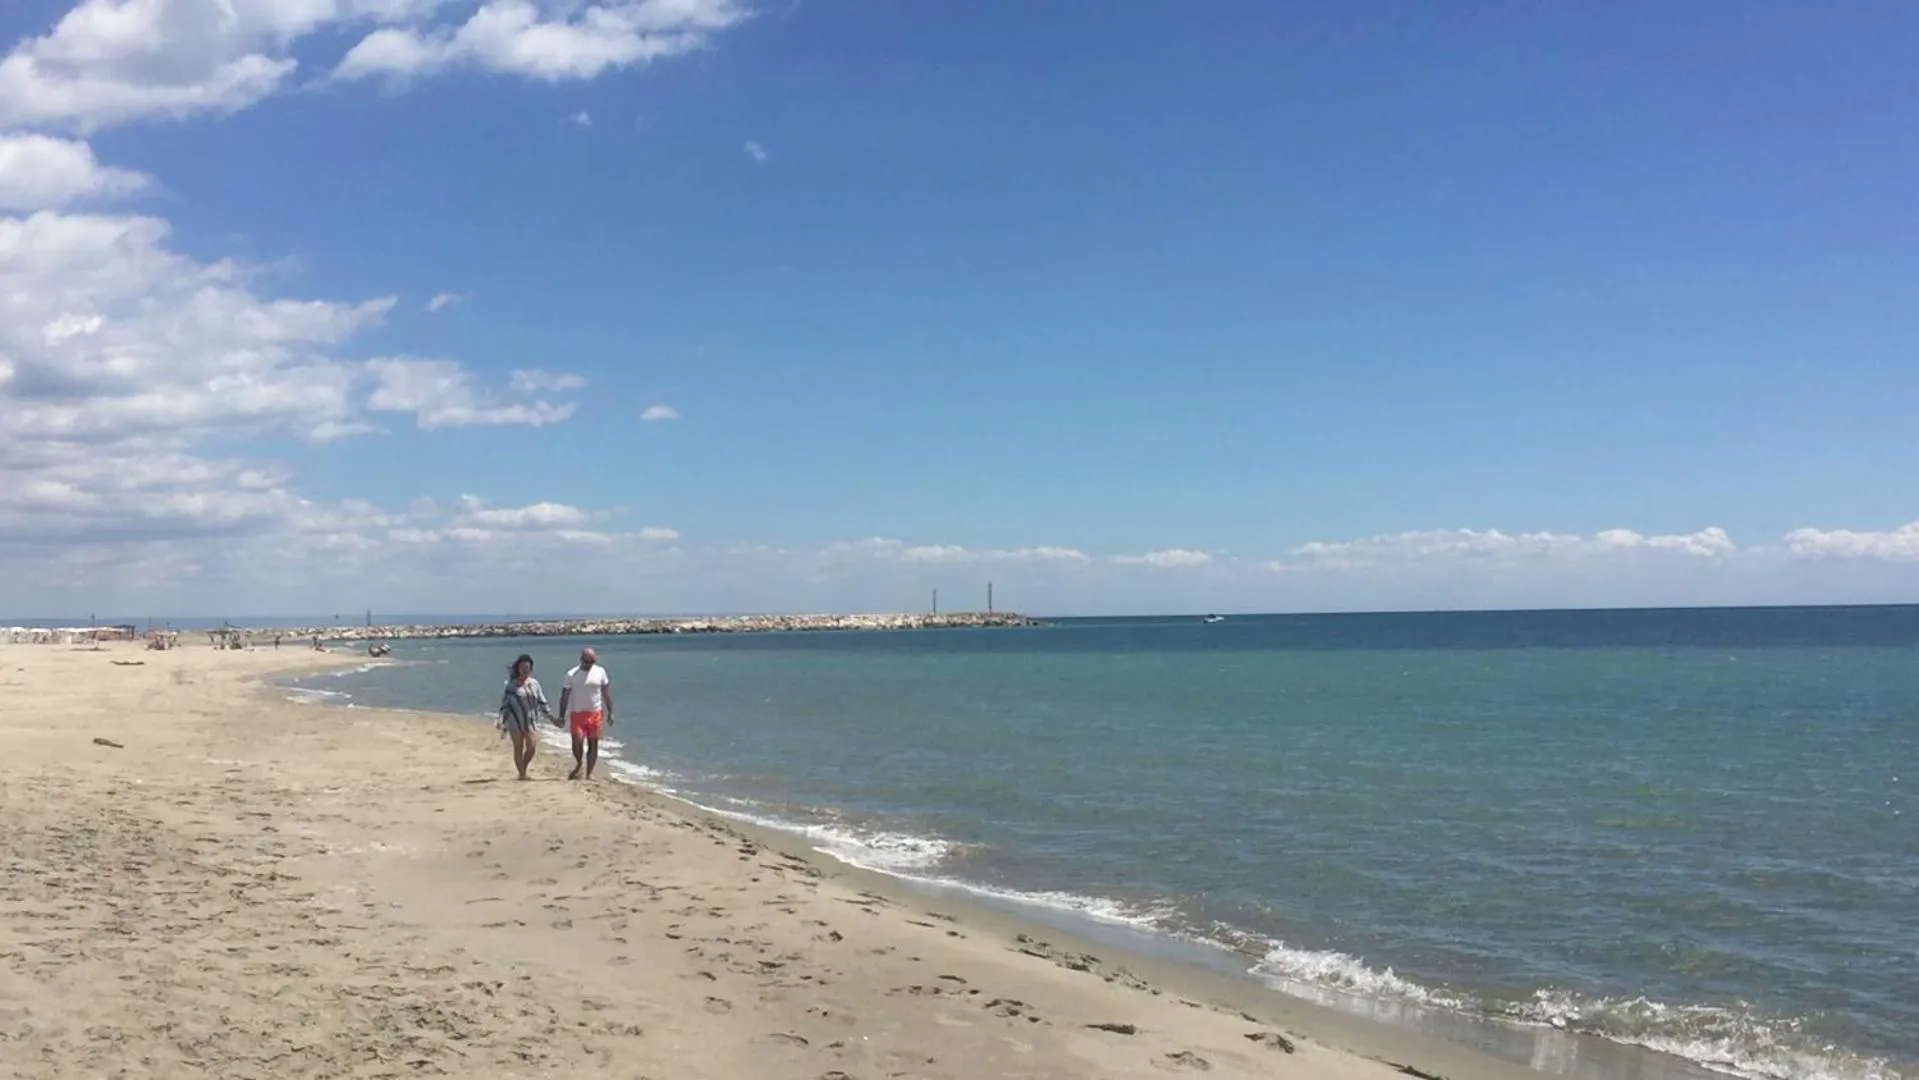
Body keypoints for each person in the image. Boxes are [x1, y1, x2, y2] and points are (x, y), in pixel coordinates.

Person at [556, 647, 614, 781]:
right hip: (577, 713)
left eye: (592, 661)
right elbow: (564, 696)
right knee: (577, 741)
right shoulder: (571, 674)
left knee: (593, 744)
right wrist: (561, 715)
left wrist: (611, 711)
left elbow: (606, 693)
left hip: (595, 713)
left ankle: (589, 774)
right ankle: (579, 763)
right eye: (587, 661)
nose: (589, 664)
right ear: (581, 660)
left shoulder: (600, 672)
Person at [498, 653, 553, 780]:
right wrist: (502, 720)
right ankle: (522, 774)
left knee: (532, 747)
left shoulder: (534, 684)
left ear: (531, 669)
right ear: (518, 668)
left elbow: (542, 702)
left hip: (531, 720)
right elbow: (505, 704)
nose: (525, 670)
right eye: (522, 667)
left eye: (527, 667)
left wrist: (552, 718)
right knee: (518, 748)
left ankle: (523, 766)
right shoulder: (512, 685)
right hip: (515, 721)